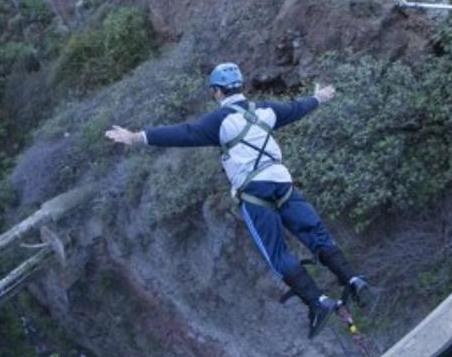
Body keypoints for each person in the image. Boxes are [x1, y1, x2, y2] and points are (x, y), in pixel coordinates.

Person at [105, 62, 369, 339]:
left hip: (254, 193)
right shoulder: (265, 110)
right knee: (315, 234)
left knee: (277, 255)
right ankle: (353, 279)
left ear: (217, 92)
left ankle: (318, 303)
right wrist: (320, 97)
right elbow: (297, 108)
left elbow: (183, 133)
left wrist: (136, 138)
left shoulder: (219, 121)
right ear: (240, 86)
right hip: (282, 181)